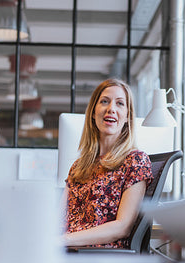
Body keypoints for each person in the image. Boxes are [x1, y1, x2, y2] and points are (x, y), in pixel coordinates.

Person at [62, 78, 153, 249]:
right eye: (104, 101)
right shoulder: (78, 166)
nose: (111, 109)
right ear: (93, 113)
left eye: (120, 103)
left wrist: (62, 241)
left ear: (127, 117)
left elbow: (122, 227)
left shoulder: (135, 161)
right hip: (67, 252)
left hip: (100, 256)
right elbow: (57, 218)